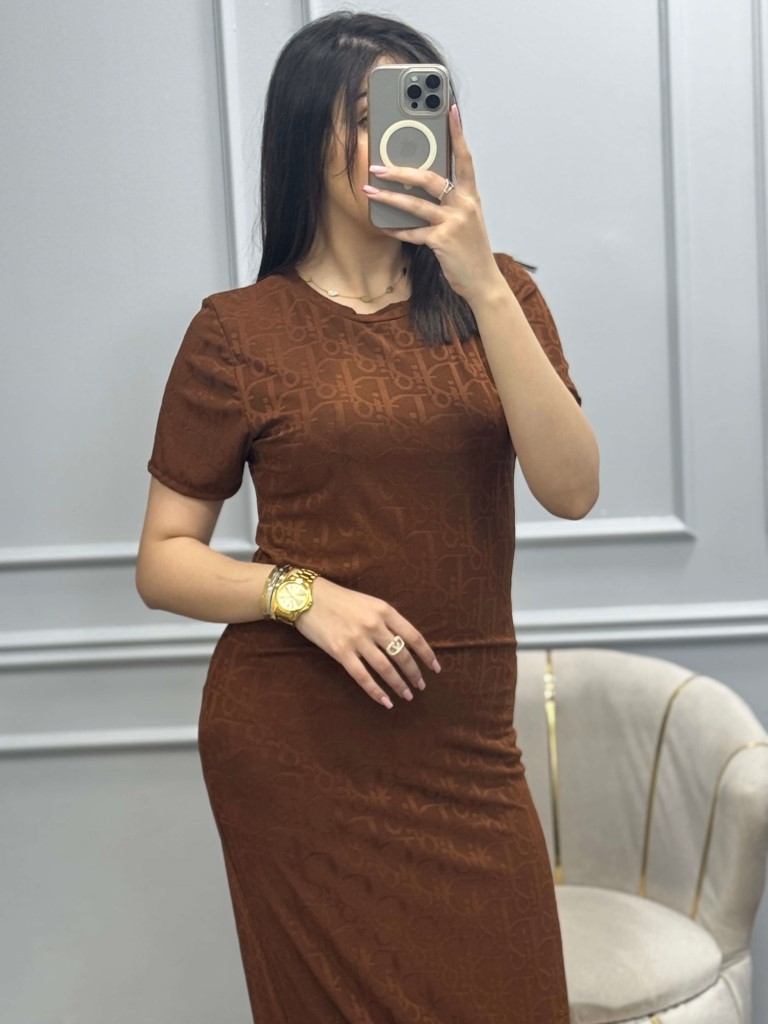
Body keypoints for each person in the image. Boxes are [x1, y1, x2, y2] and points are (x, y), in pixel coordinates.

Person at [136, 9, 599, 1023]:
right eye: (364, 115)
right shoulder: (236, 333)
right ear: (306, 136)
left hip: (466, 749)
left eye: (417, 108)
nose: (398, 138)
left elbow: (572, 489)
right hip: (298, 746)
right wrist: (303, 596)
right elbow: (163, 559)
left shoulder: (501, 296)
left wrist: (481, 279)